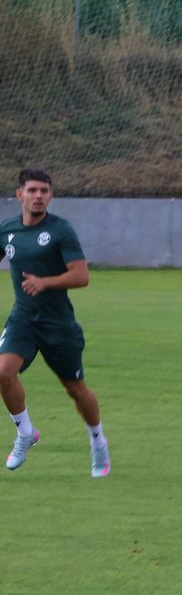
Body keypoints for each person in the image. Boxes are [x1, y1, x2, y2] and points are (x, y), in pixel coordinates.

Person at [1, 168, 110, 477]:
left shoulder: (61, 229)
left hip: (58, 324)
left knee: (75, 388)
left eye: (44, 191)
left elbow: (81, 275)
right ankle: (25, 433)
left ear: (51, 195)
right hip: (23, 318)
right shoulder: (7, 229)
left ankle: (98, 440)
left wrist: (45, 282)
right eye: (32, 190)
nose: (39, 196)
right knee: (3, 373)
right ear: (20, 194)